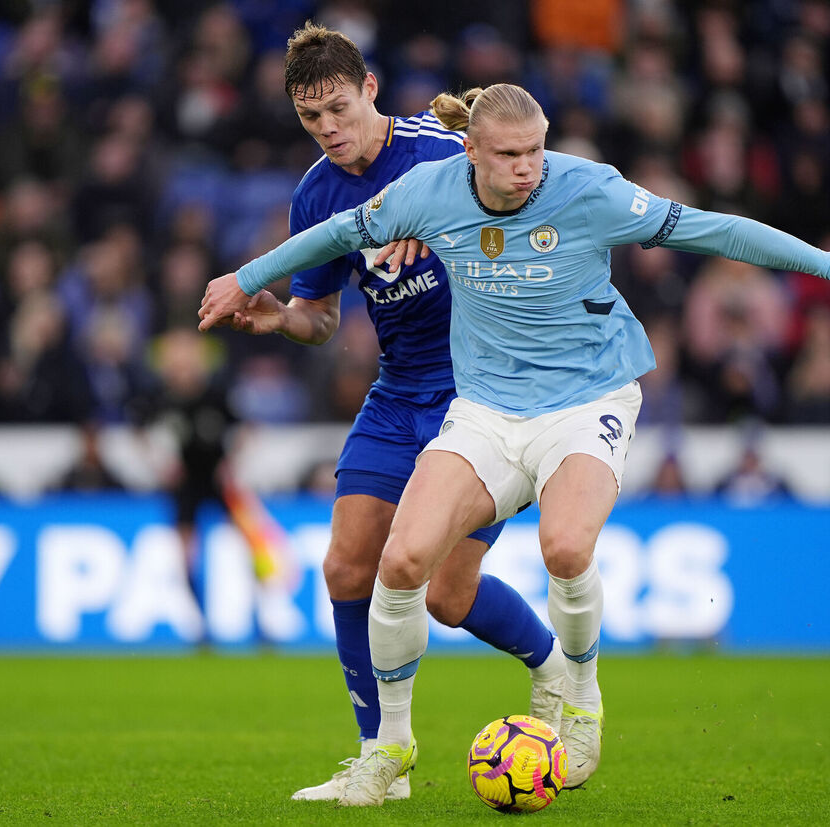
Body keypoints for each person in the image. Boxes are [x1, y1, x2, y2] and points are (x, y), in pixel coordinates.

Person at [199, 83, 830, 805]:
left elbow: (718, 229)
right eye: (509, 155)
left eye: (535, 151)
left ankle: (579, 704)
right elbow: (332, 237)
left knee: (566, 548)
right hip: (485, 408)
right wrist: (245, 278)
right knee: (402, 561)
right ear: (472, 153)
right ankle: (388, 749)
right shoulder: (430, 192)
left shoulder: (587, 190)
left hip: (587, 400)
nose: (527, 169)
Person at [224, 26, 564, 802]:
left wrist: (442, 226)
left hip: (483, 391)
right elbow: (318, 317)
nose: (330, 129)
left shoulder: (443, 149)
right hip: (398, 390)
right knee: (346, 564)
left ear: (370, 87)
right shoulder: (315, 192)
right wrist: (281, 317)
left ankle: (554, 667)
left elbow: (535, 215)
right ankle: (383, 760)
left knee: (446, 596)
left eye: (339, 108)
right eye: (312, 119)